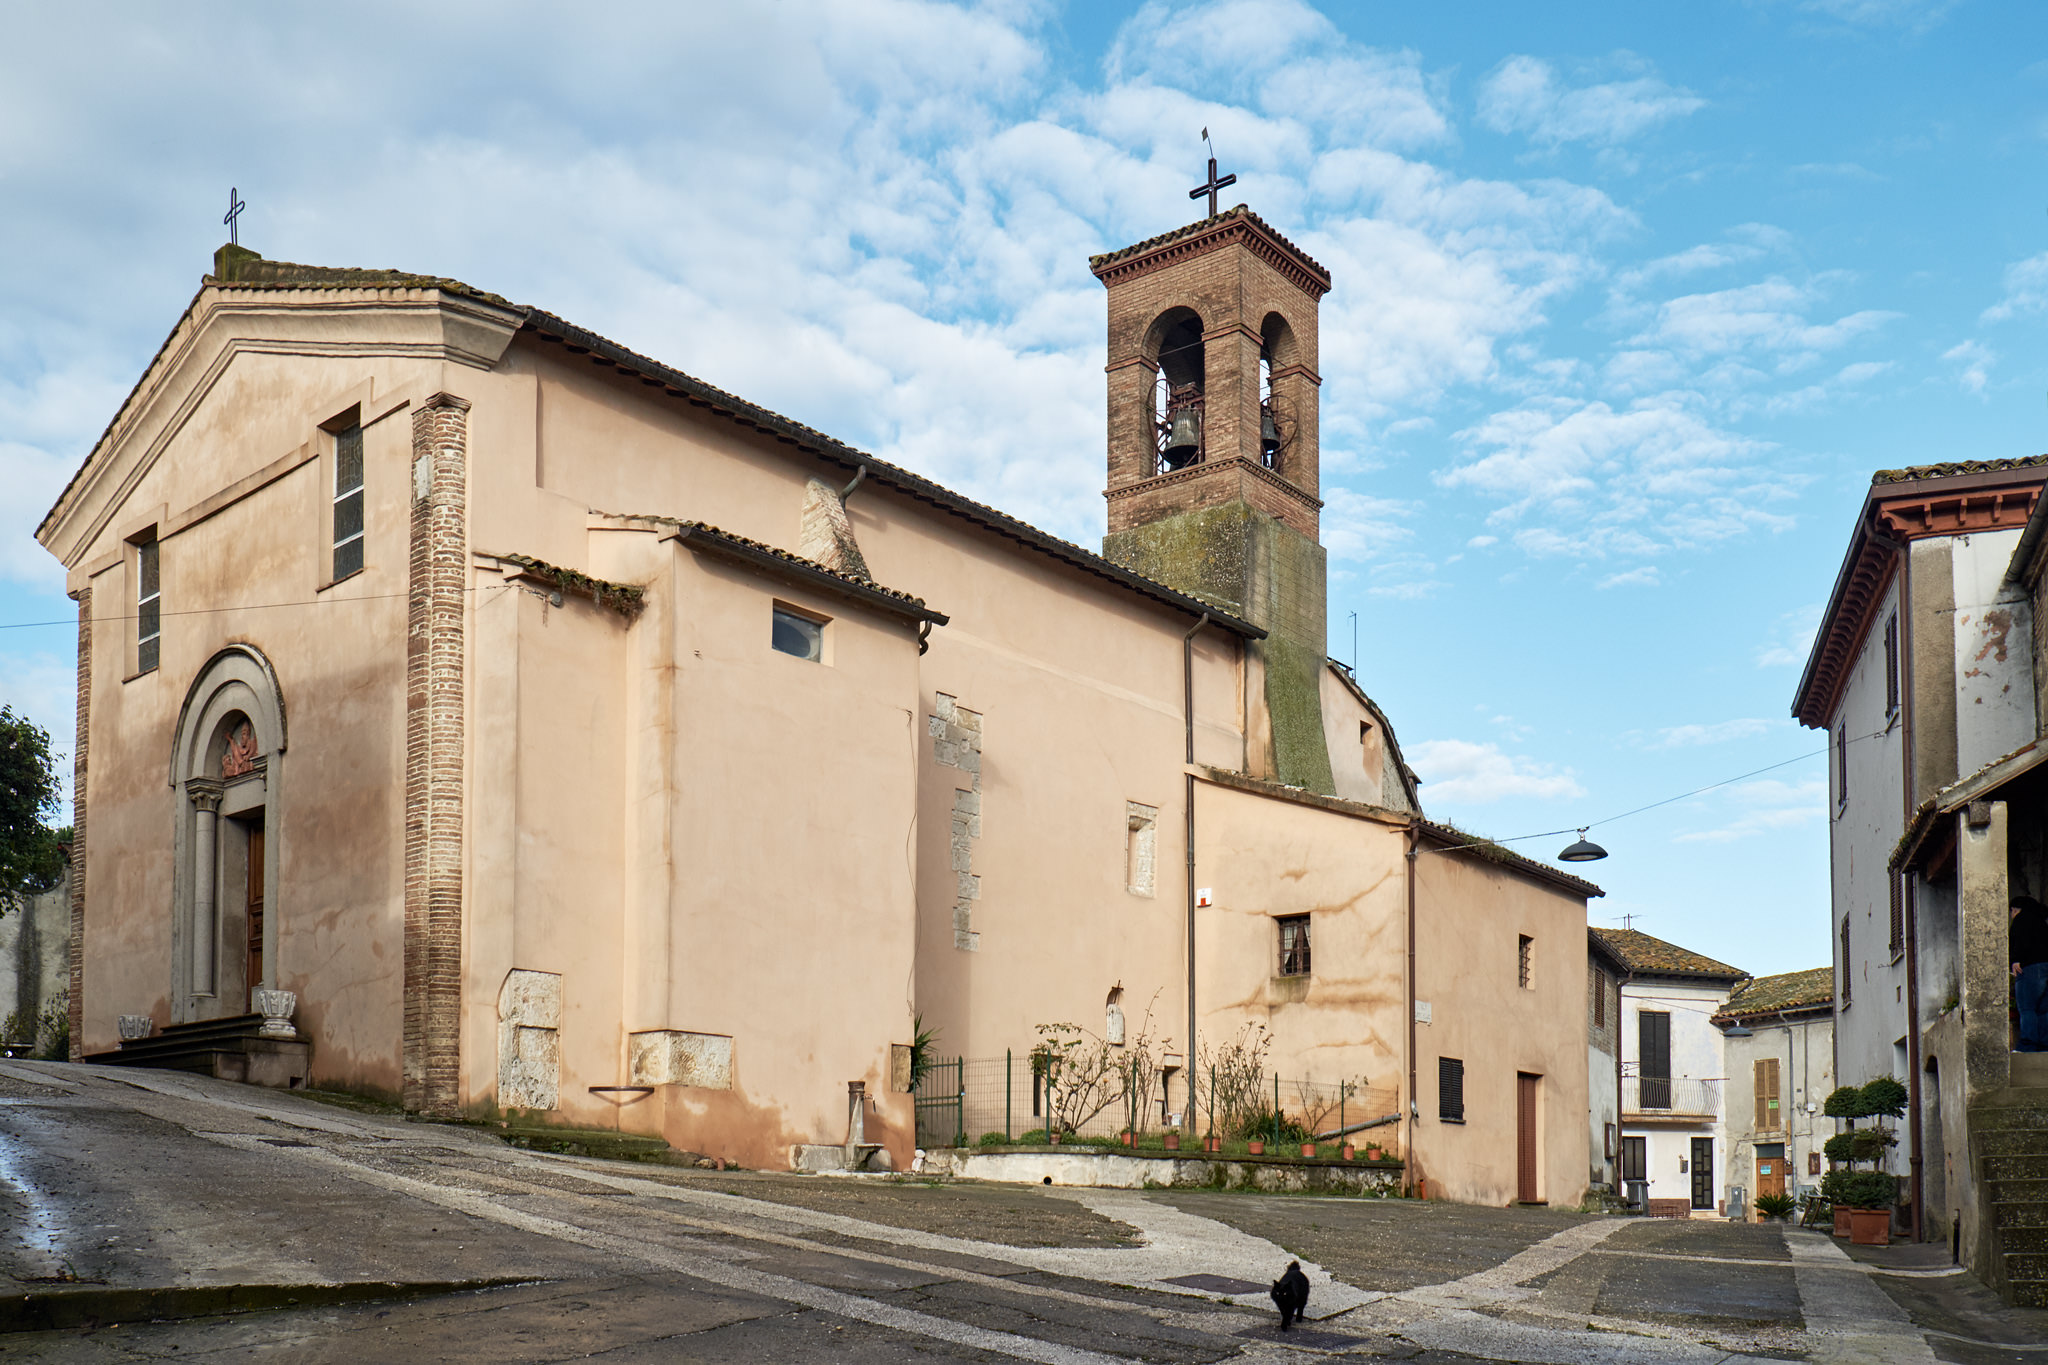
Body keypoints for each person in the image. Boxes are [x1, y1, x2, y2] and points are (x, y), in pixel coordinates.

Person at [2011, 895, 2048, 1052]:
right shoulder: (2041, 922)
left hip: (2029, 968)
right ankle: (2044, 1044)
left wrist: (2016, 960)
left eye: (2012, 911)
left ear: (2017, 910)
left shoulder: (2021, 920)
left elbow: (2020, 941)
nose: (2011, 915)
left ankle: (2028, 1044)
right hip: (2046, 967)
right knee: (2044, 1010)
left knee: (2027, 1008)